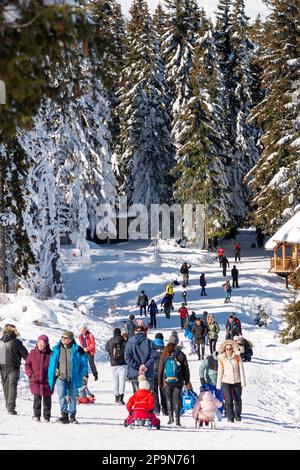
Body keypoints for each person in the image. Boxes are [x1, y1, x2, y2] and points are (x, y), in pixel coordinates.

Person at [48, 330, 88, 424]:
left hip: (73, 378)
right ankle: (64, 415)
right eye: (62, 337)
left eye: (65, 338)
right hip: (61, 377)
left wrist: (82, 374)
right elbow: (52, 364)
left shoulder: (78, 349)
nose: (63, 339)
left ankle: (72, 416)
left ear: (70, 339)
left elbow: (84, 363)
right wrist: (52, 375)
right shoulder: (57, 349)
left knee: (72, 397)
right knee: (61, 396)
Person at [158, 336, 191, 426]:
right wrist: (187, 381)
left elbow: (160, 369)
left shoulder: (165, 353)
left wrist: (160, 381)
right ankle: (178, 421)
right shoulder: (180, 354)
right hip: (178, 380)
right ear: (177, 343)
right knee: (177, 399)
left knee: (168, 398)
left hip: (167, 381)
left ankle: (170, 418)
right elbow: (186, 369)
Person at [0, 324, 28, 415]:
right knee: (12, 386)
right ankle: (11, 408)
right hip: (13, 367)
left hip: (3, 367)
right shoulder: (16, 342)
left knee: (6, 386)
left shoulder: (1, 341)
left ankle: (8, 406)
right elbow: (26, 355)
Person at [216, 340, 246, 422]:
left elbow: (241, 370)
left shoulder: (237, 357)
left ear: (232, 349)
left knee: (238, 399)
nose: (228, 350)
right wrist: (218, 384)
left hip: (237, 381)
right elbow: (220, 371)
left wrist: (243, 382)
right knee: (228, 400)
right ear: (224, 350)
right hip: (226, 381)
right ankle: (230, 417)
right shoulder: (222, 358)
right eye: (227, 349)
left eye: (230, 349)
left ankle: (237, 415)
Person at [25, 335, 52, 422]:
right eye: (39, 342)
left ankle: (46, 416)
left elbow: (56, 366)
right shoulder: (32, 353)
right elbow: (27, 364)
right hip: (35, 380)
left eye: (42, 342)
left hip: (47, 381)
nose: (40, 344)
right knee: (37, 398)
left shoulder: (51, 354)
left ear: (46, 344)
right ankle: (37, 415)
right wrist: (30, 375)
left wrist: (53, 376)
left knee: (47, 399)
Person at [124, 325, 157, 393]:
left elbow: (127, 357)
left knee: (137, 396)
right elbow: (154, 356)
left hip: (135, 372)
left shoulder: (129, 343)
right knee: (148, 396)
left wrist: (138, 366)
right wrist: (145, 366)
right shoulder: (150, 343)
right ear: (143, 331)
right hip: (148, 372)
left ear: (135, 332)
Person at [105, 328, 127, 404]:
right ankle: (121, 397)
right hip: (123, 364)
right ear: (120, 333)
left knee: (116, 381)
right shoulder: (123, 341)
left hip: (113, 364)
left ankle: (116, 397)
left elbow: (106, 349)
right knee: (122, 381)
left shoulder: (110, 341)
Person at [153, 333, 168, 415]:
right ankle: (165, 409)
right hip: (163, 373)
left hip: (153, 372)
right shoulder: (165, 349)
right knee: (163, 391)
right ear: (162, 339)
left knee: (154, 392)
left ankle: (156, 409)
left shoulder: (151, 348)